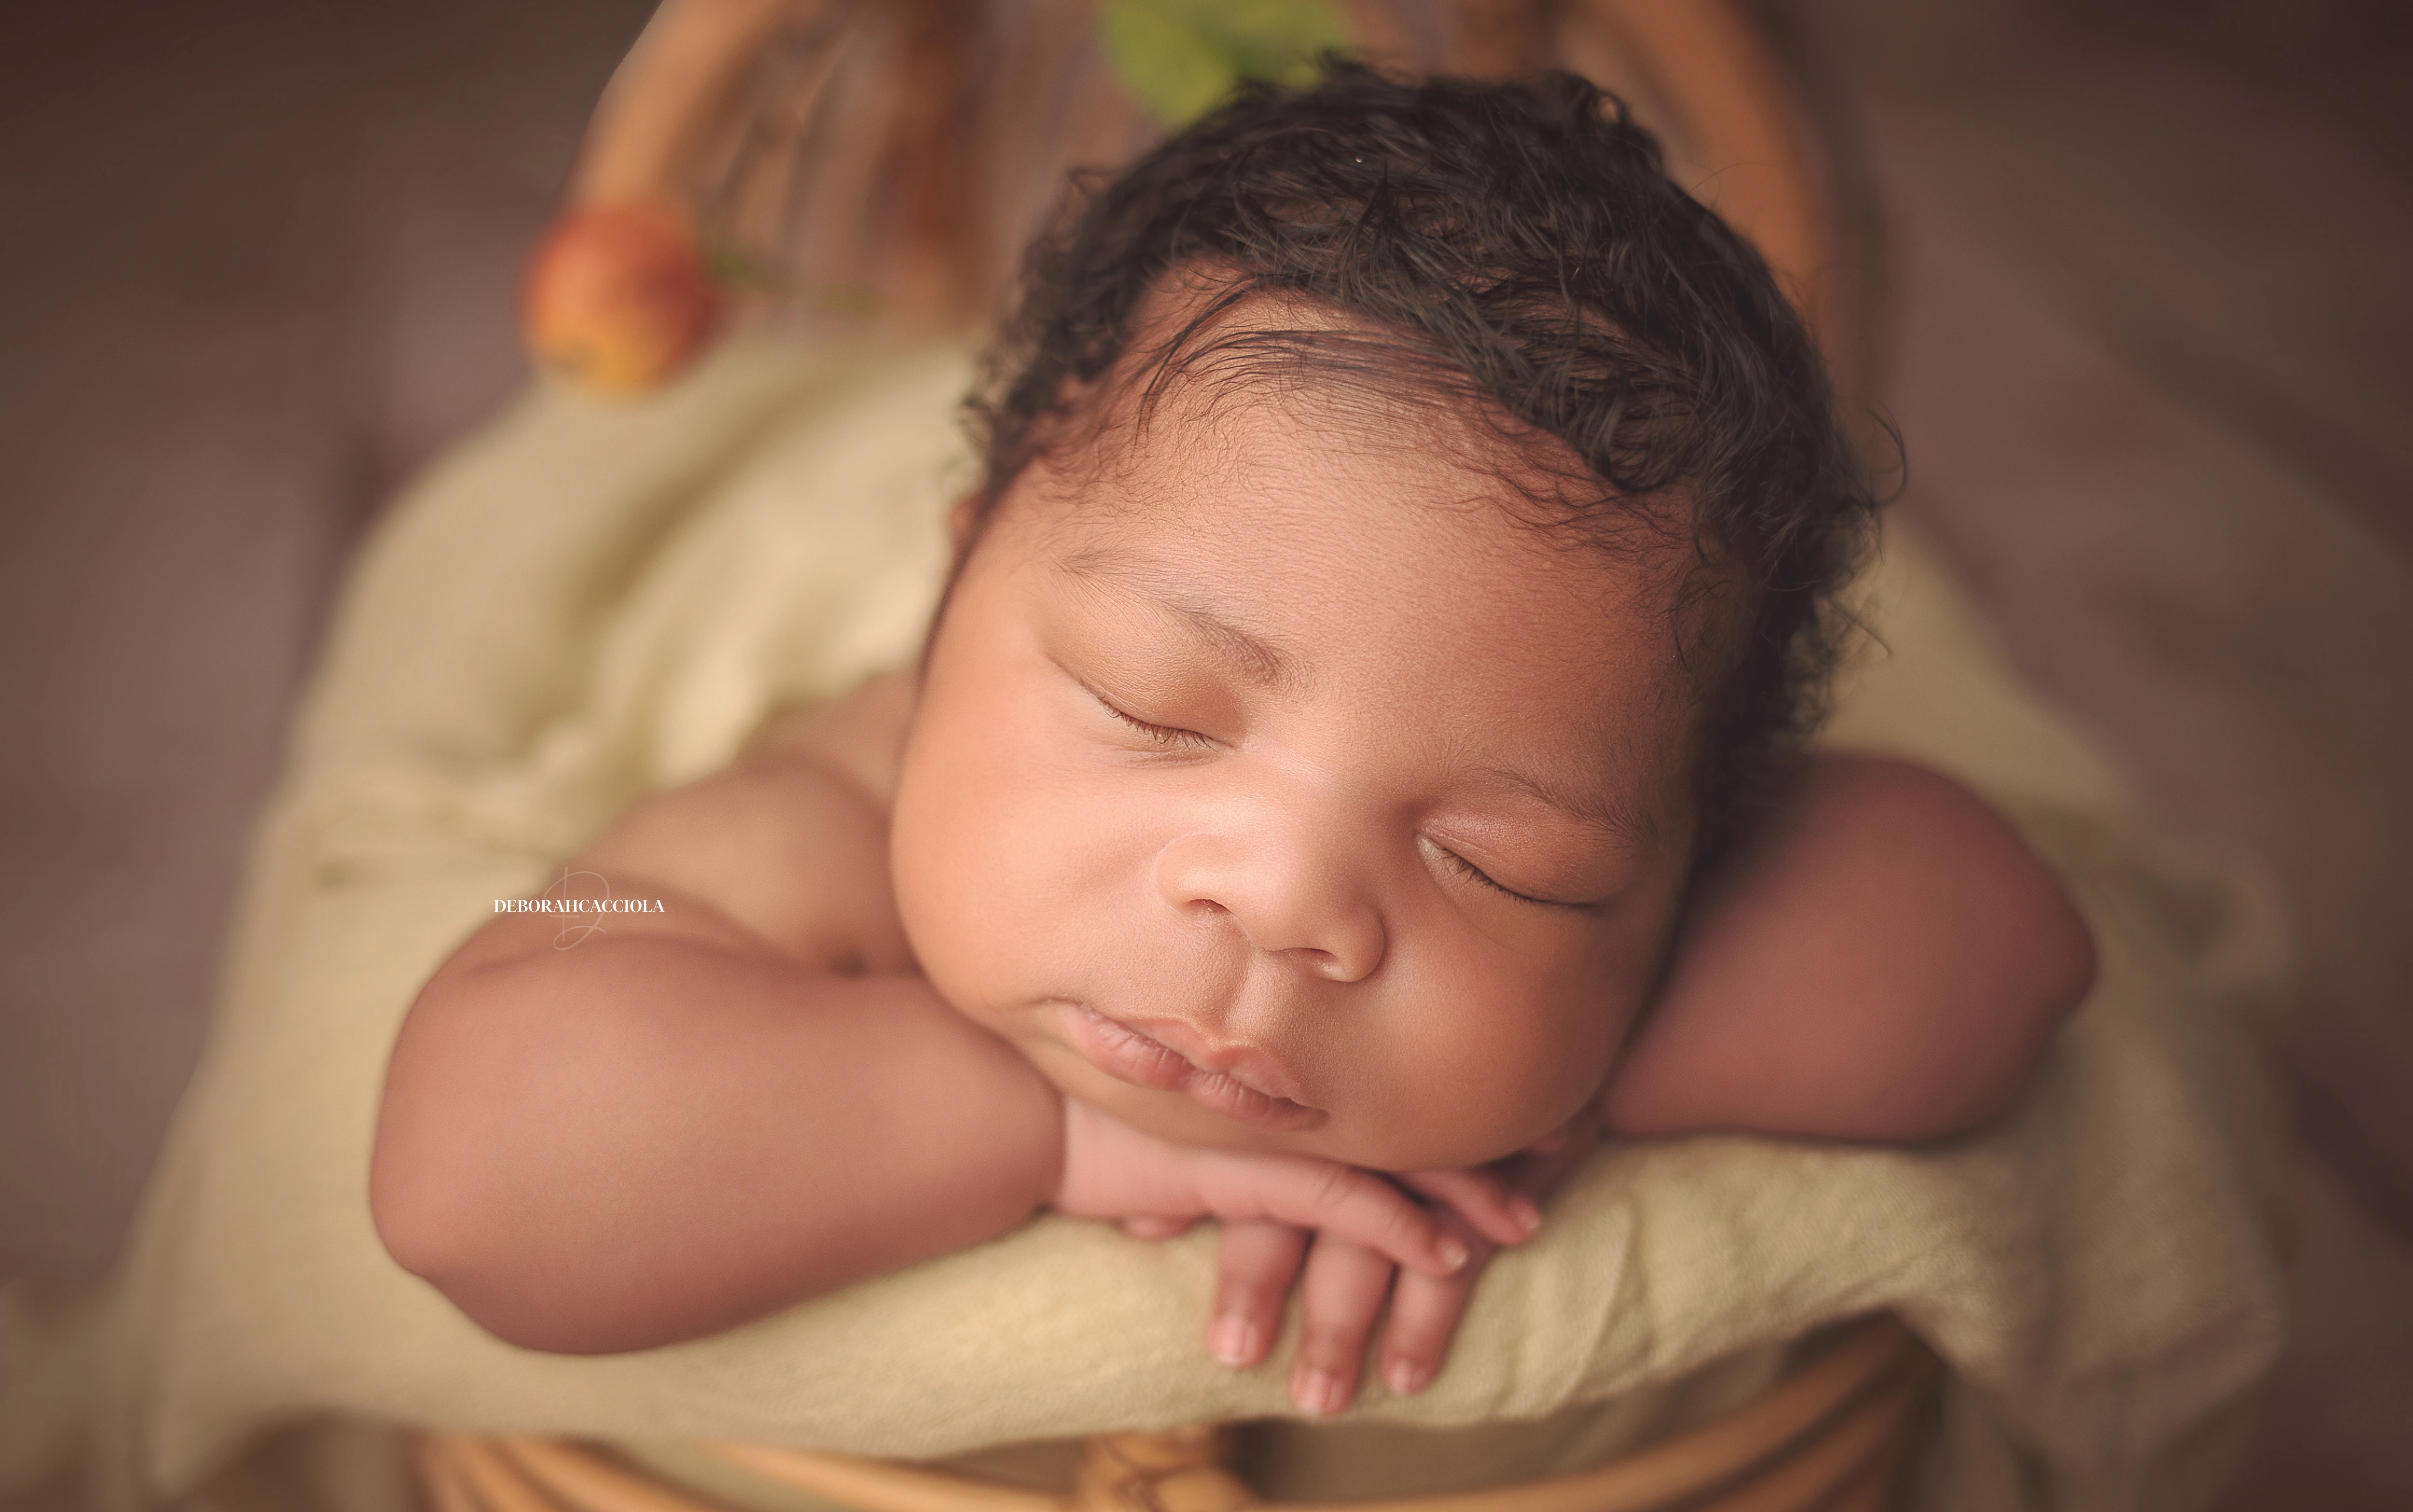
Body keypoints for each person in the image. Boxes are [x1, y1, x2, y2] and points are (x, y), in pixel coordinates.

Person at [369, 66, 2094, 1420]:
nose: (1282, 904)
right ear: (955, 586)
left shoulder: (1617, 891)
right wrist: (1050, 1137)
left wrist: (1542, 1075)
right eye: (1153, 709)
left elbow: (2005, 950)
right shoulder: (815, 816)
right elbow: (479, 1160)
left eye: (1502, 865)